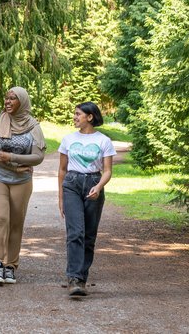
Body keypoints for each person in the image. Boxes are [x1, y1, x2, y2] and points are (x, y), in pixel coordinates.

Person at [0, 87, 45, 286]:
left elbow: (38, 156)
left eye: (13, 99)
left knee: (16, 222)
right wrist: (16, 166)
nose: (7, 102)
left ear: (23, 102)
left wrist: (12, 157)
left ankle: (11, 266)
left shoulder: (33, 126)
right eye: (6, 98)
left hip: (21, 182)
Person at [57, 102, 115, 296]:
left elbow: (107, 171)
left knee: (89, 236)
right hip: (72, 184)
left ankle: (81, 279)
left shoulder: (103, 141)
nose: (74, 117)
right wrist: (60, 196)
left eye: (78, 114)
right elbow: (62, 170)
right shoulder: (67, 139)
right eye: (74, 114)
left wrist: (98, 187)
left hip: (94, 183)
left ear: (90, 117)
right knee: (75, 232)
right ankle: (73, 278)